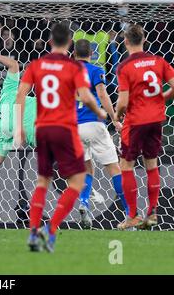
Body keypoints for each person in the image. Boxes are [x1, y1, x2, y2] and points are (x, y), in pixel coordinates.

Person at [15, 23, 106, 252]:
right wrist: (100, 112)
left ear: (49, 42)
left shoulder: (36, 65)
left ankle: (33, 233)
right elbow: (85, 97)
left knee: (42, 181)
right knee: (77, 181)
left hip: (43, 129)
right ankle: (51, 230)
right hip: (65, 128)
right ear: (69, 44)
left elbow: (21, 95)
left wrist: (19, 127)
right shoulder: (74, 67)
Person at [115, 24, 174, 230]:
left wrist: (117, 116)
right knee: (151, 164)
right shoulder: (158, 61)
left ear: (126, 41)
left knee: (126, 165)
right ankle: (152, 213)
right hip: (156, 119)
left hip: (135, 121)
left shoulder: (124, 66)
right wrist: (159, 99)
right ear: (144, 40)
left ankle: (133, 216)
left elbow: (123, 102)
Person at [73, 39, 128, 229]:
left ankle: (84, 203)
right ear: (91, 54)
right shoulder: (96, 70)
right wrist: (114, 118)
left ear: (74, 54)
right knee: (114, 168)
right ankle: (130, 215)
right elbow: (103, 95)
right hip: (94, 124)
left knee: (87, 168)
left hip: (73, 127)